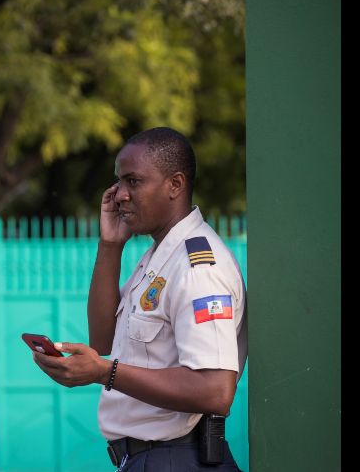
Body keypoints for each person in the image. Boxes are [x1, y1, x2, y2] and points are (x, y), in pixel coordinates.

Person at [32, 127, 247, 471]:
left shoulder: (198, 268)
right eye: (119, 182)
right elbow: (103, 338)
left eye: (133, 181)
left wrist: (105, 372)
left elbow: (215, 391)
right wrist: (110, 245)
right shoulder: (160, 257)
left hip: (178, 458)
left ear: (175, 184)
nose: (119, 195)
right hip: (149, 458)